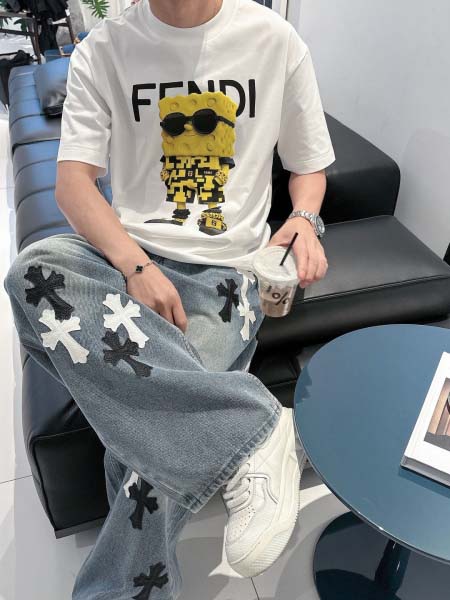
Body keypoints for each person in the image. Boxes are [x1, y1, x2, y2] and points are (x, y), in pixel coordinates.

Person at [3, 0, 335, 597]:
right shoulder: (104, 49)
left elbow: (308, 165)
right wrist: (136, 266)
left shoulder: (274, 40)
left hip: (224, 275)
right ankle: (254, 427)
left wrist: (304, 220)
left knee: (142, 459)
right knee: (32, 270)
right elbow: (73, 185)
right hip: (123, 259)